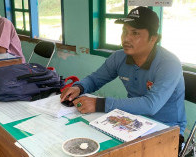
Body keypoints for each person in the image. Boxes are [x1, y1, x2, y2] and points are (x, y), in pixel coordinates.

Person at [60, 6, 186, 153]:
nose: (126, 38)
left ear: (153, 38)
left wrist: (99, 103)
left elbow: (150, 105)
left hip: (165, 129)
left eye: (135, 33)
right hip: (130, 122)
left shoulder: (169, 63)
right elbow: (96, 79)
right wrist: (79, 87)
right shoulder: (119, 57)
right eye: (124, 31)